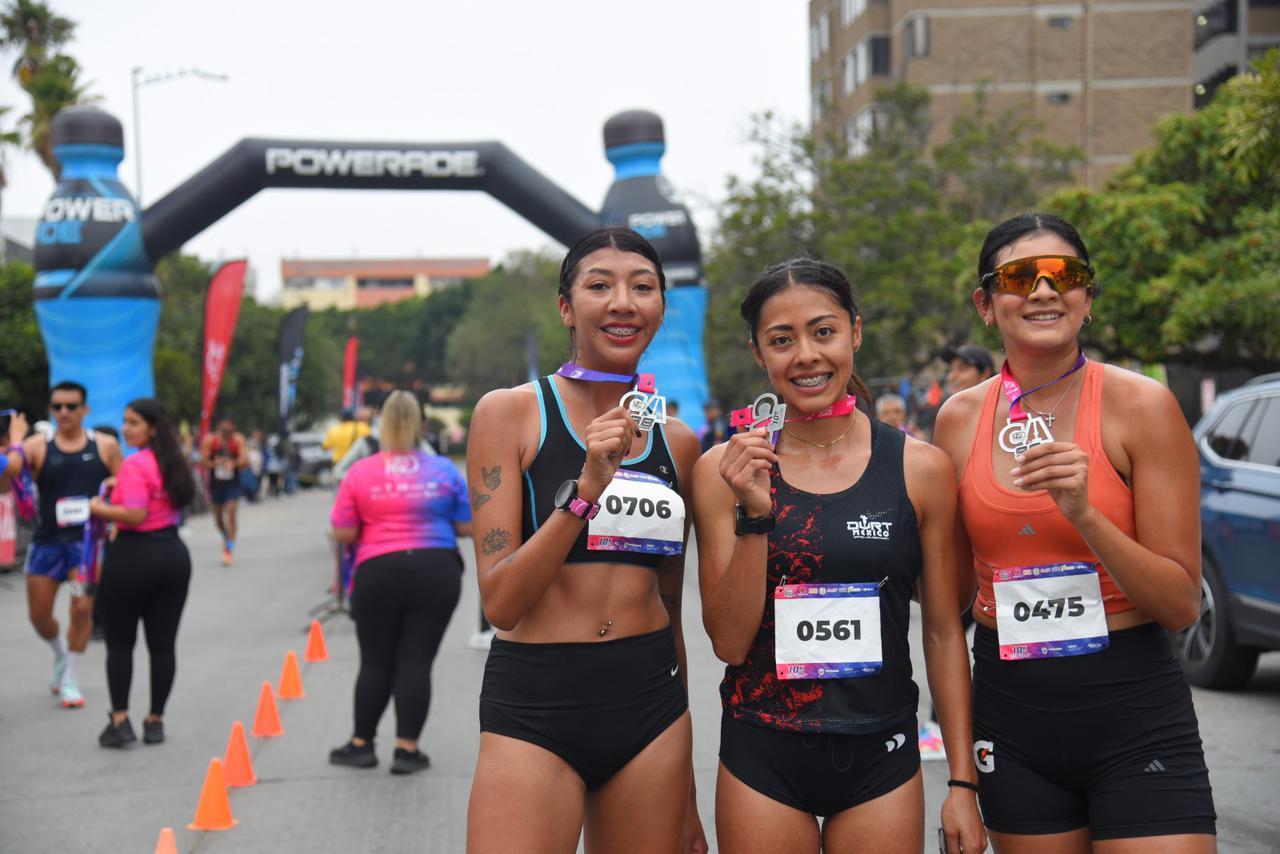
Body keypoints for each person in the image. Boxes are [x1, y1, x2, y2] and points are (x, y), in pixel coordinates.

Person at [933, 213, 1216, 851]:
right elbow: (944, 604)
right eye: (1019, 276)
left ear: (1087, 299)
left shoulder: (1141, 406)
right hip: (1012, 711)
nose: (1042, 291)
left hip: (1132, 706)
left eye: (1066, 275)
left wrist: (1084, 513)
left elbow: (1179, 604)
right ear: (985, 303)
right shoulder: (958, 419)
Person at [691, 259, 985, 854]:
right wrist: (755, 515)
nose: (805, 355)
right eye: (782, 340)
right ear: (758, 353)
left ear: (855, 331)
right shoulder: (723, 470)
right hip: (762, 750)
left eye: (823, 332)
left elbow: (944, 634)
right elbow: (727, 642)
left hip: (881, 752)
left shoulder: (920, 469)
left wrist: (962, 781)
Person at [466, 227, 705, 853]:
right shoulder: (510, 413)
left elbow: (673, 605)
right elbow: (501, 603)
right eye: (599, 286)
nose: (623, 302)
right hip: (537, 704)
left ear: (659, 308)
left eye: (643, 287)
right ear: (567, 307)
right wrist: (584, 492)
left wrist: (689, 796)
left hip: (650, 705)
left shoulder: (677, 442)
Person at [328, 390, 471, 774]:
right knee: (417, 661)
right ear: (424, 426)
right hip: (436, 569)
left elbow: (342, 532)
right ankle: (407, 750)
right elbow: (468, 525)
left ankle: (361, 744)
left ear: (380, 427)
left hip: (378, 570)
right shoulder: (442, 469)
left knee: (375, 662)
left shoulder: (360, 471)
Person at [2, 381, 123, 708]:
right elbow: (8, 474)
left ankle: (71, 677)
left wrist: (114, 493)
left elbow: (125, 487)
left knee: (82, 609)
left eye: (71, 406)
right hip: (47, 543)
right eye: (58, 407)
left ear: (85, 409)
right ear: (51, 410)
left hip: (86, 545)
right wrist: (12, 446)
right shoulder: (37, 445)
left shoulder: (106, 445)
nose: (64, 412)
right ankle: (59, 653)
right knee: (39, 616)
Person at [90, 399, 196, 747]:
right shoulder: (172, 461)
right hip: (173, 554)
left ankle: (120, 720)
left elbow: (133, 514)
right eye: (125, 421)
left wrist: (98, 507)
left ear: (151, 427)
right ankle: (155, 720)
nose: (125, 428)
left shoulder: (136, 464)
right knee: (163, 645)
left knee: (120, 645)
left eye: (133, 422)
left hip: (134, 555)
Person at [200, 417, 248, 566]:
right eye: (223, 432)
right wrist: (216, 463)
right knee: (219, 519)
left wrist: (233, 464)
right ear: (219, 430)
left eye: (229, 432)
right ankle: (227, 536)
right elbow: (203, 462)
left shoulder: (238, 440)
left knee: (232, 514)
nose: (226, 435)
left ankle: (228, 550)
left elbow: (244, 460)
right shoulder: (210, 440)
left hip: (232, 484)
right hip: (216, 485)